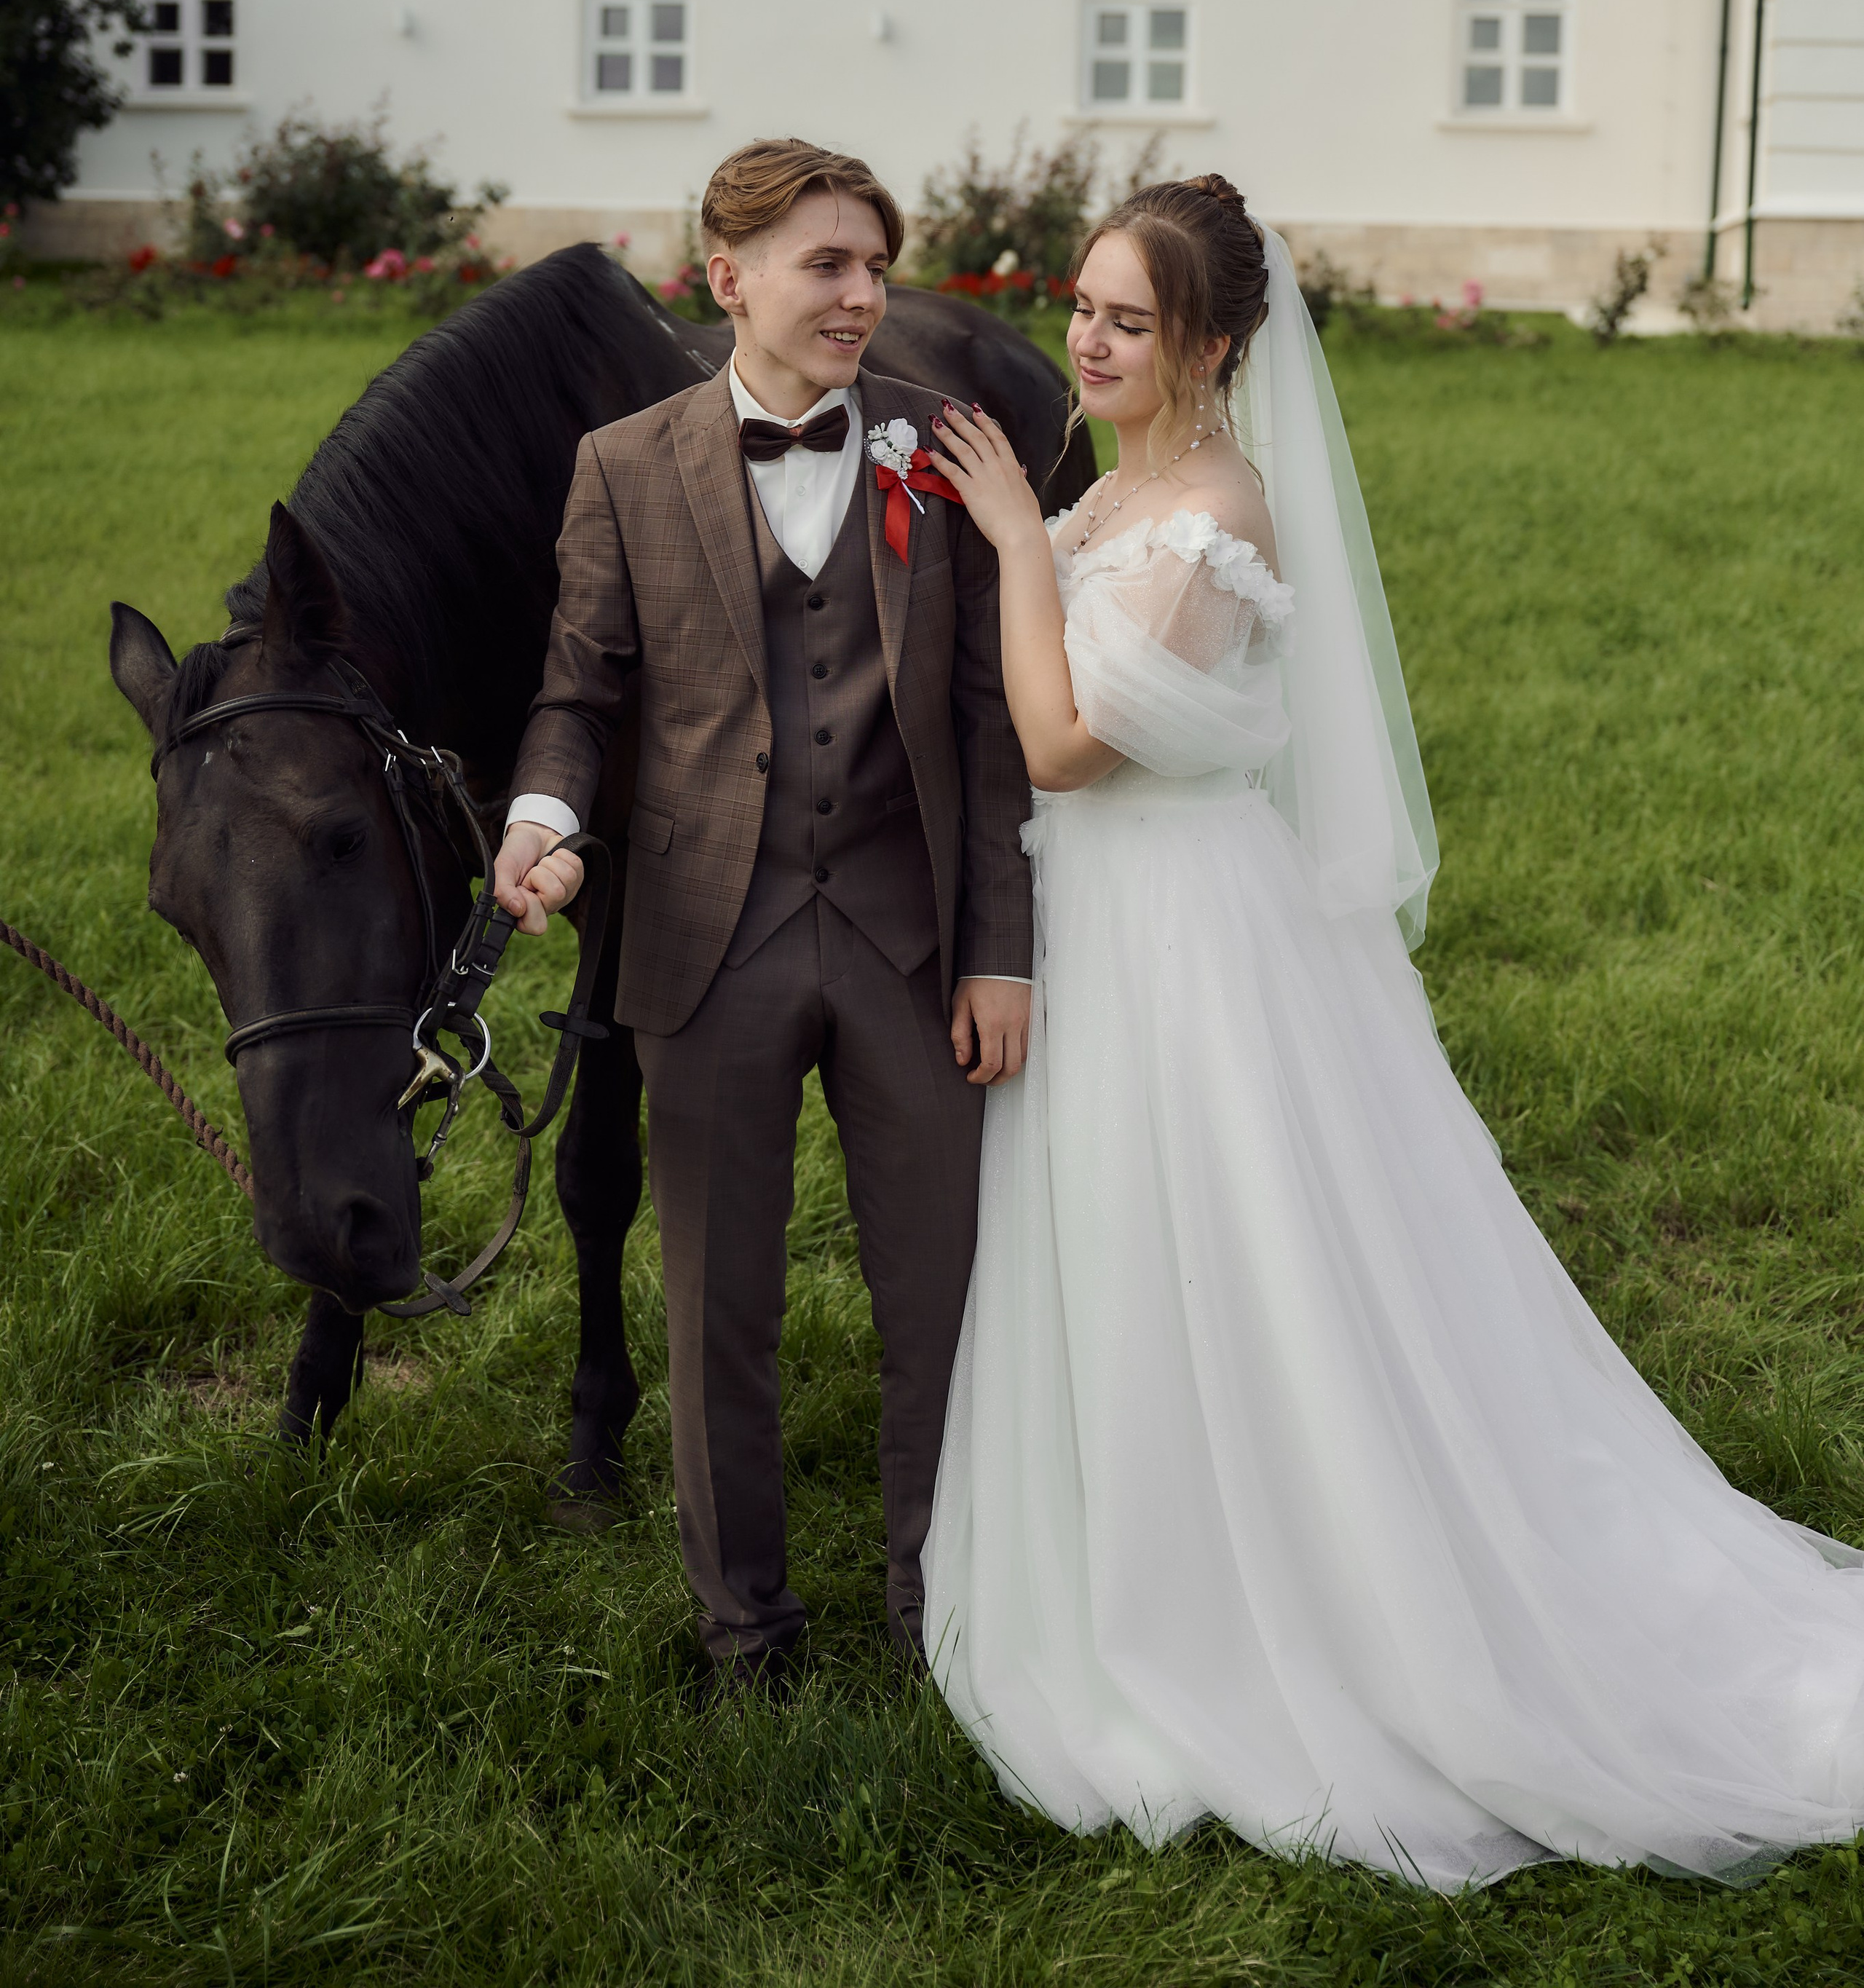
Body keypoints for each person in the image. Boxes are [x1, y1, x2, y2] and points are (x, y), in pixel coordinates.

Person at [920, 173, 1864, 1892]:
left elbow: (1060, 743)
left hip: (1183, 944)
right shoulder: (1120, 478)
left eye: (1129, 320)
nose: (1089, 338)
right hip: (1107, 919)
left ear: (1208, 344)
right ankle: (1144, 1542)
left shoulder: (1212, 510)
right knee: (1128, 1257)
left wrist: (1004, 543)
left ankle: (1286, 1601)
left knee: (1241, 1256)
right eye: (1079, 305)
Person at [494, 138, 1032, 1684]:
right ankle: (745, 1625)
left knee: (942, 1300)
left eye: (875, 264)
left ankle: (951, 1618)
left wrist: (1000, 948)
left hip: (910, 936)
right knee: (716, 1305)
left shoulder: (946, 447)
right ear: (726, 277)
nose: (864, 294)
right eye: (827, 264)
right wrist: (543, 823)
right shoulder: (624, 463)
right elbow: (577, 691)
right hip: (704, 935)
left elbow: (996, 725)